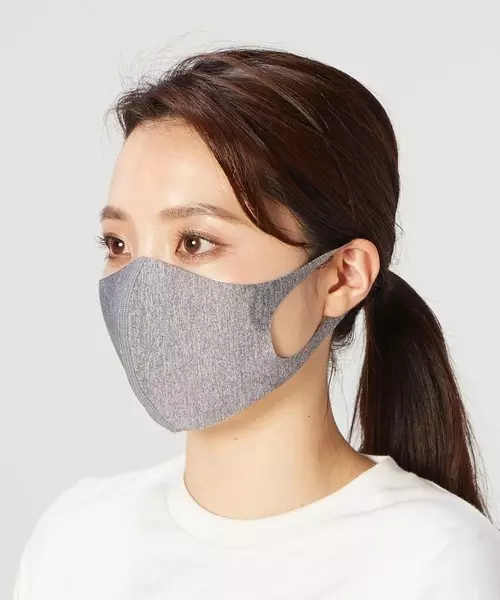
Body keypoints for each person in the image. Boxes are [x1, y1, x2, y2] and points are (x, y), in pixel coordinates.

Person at [13, 46, 500, 599]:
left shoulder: (433, 562)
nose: (143, 288)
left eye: (195, 241)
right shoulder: (75, 541)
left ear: (341, 276)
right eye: (118, 244)